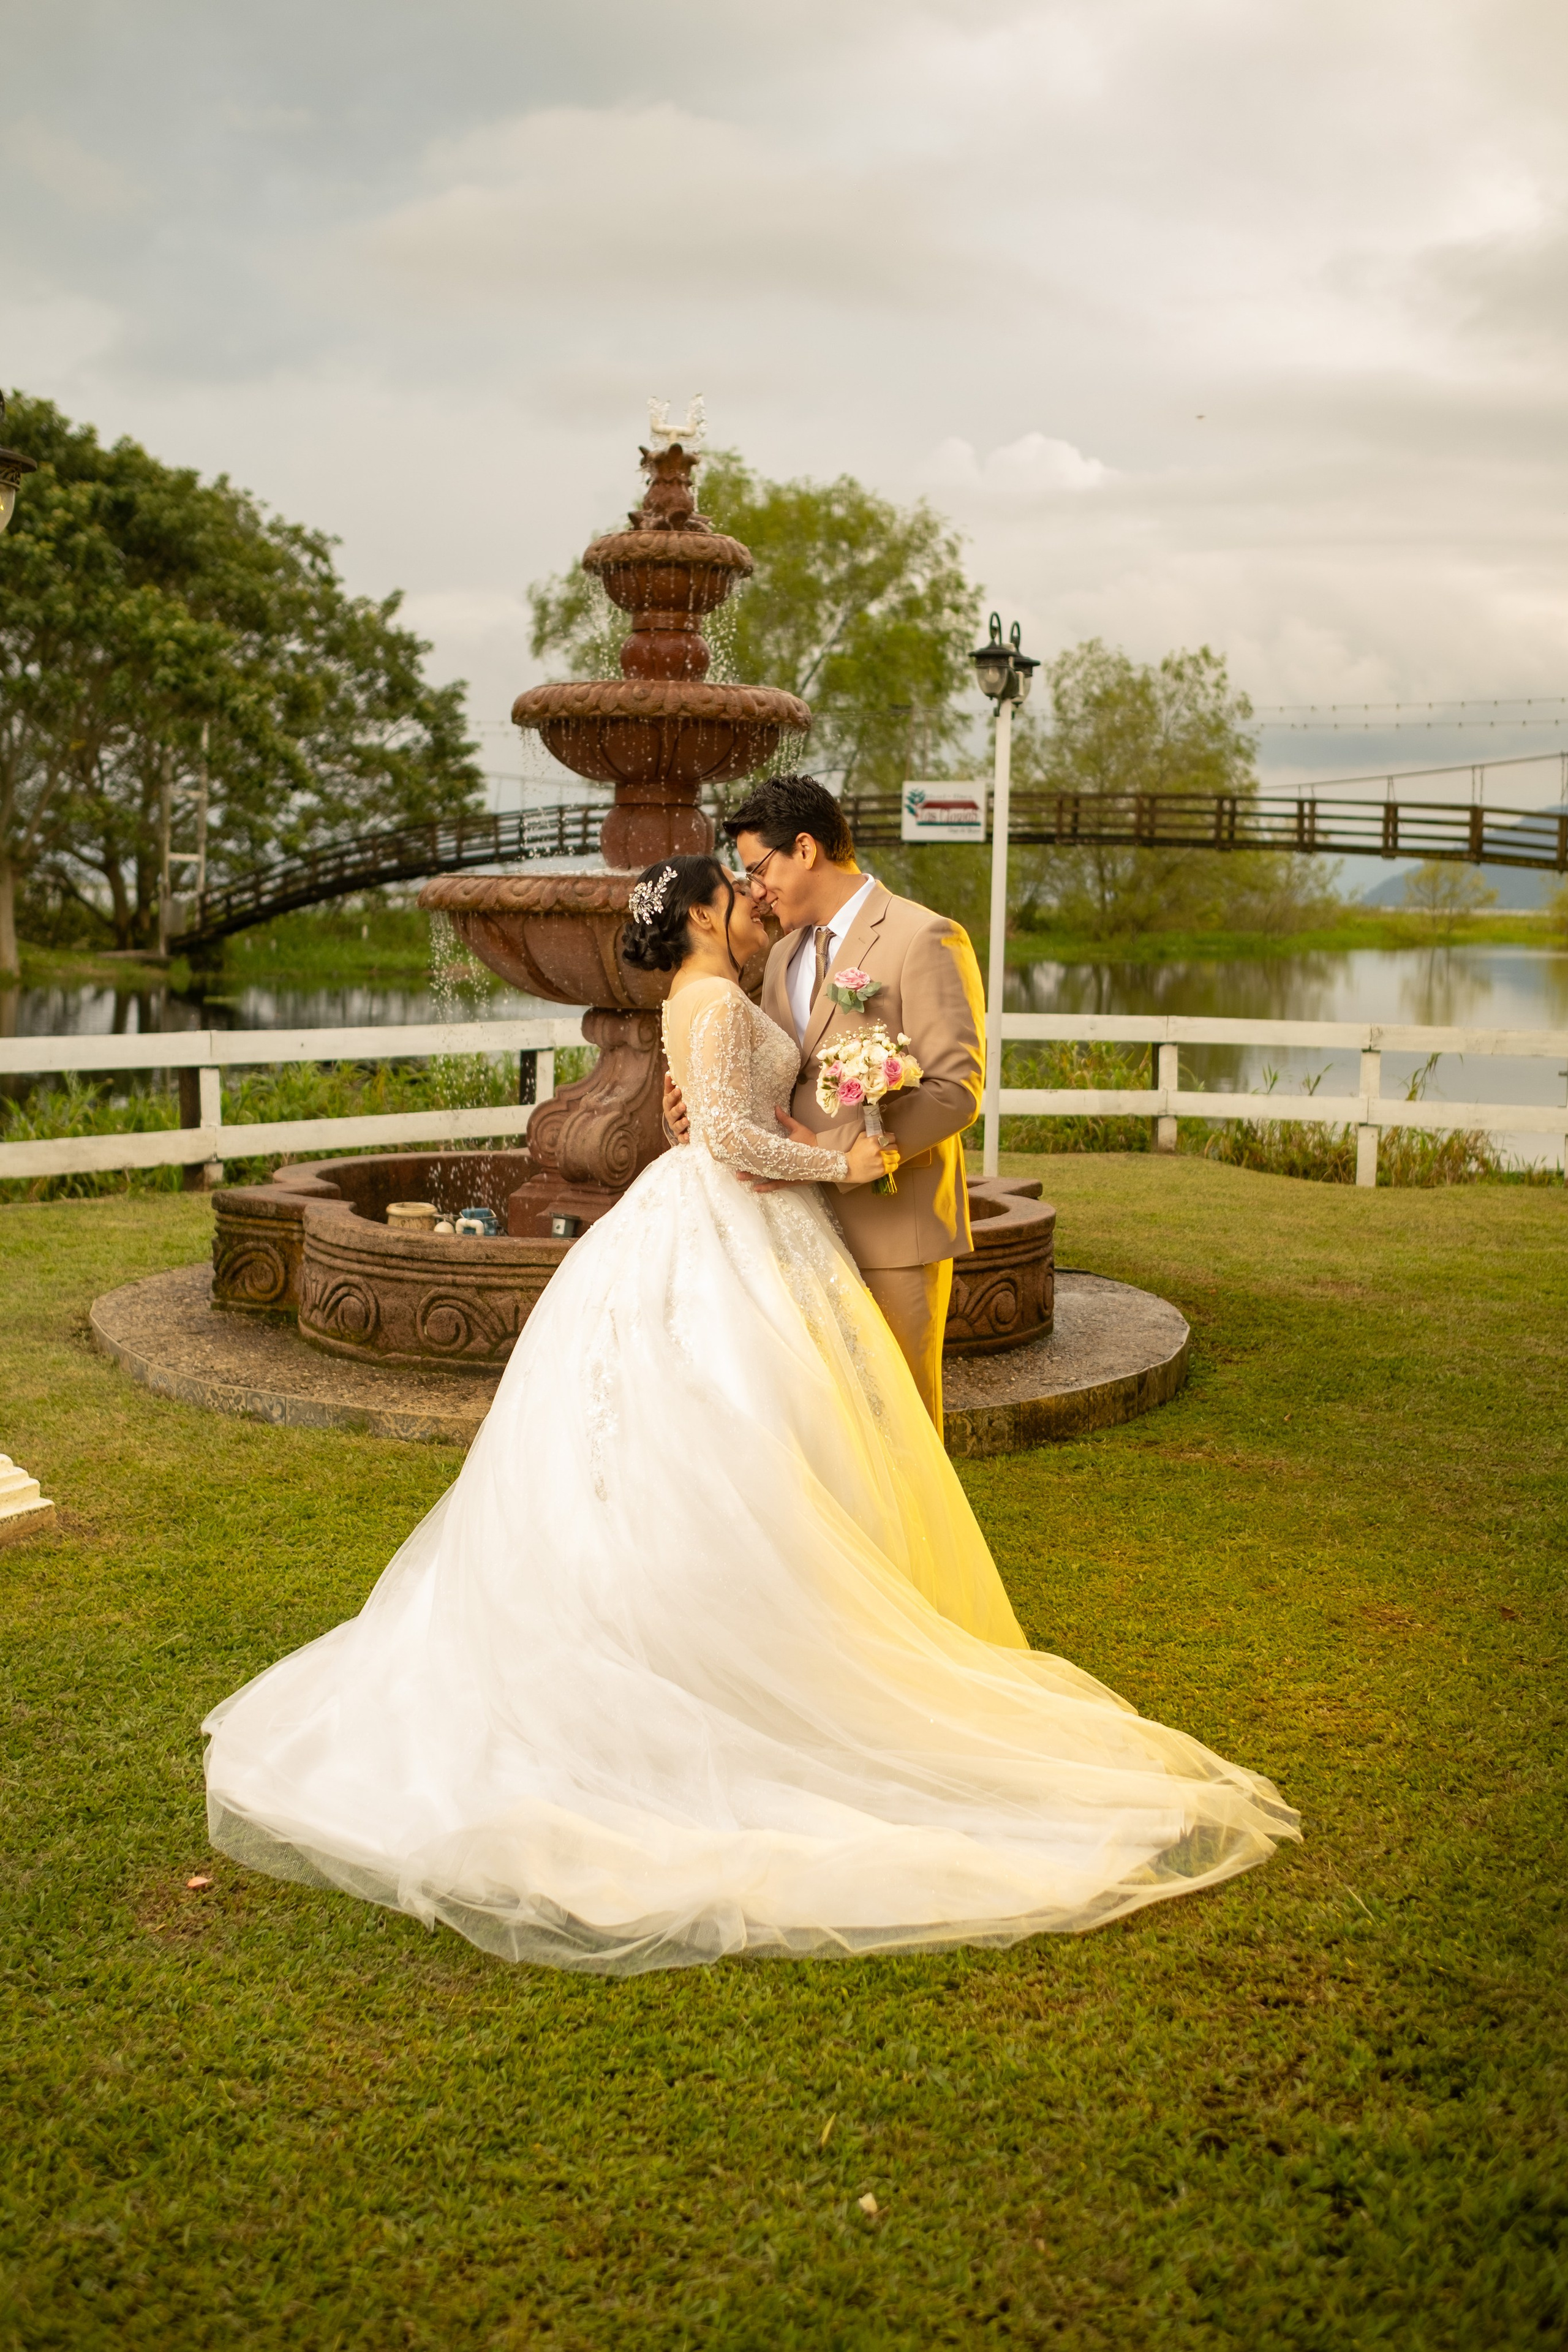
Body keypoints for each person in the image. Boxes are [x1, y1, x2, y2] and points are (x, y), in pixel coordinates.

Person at [202, 853, 1298, 1977]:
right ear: (697, 913)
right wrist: (844, 1158)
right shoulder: (716, 1000)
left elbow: (715, 1115)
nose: (751, 899)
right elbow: (730, 1141)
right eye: (734, 891)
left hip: (709, 1217)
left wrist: (784, 1106)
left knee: (737, 1424)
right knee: (740, 1416)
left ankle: (775, 1614)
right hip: (728, 1219)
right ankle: (761, 1641)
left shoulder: (710, 996)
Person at [666, 772, 983, 1434]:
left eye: (759, 870)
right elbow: (771, 1081)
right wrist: (694, 1117)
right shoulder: (782, 955)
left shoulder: (925, 936)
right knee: (828, 1434)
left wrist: (835, 1153)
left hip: (893, 1225)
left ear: (805, 849)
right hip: (796, 1229)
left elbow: (955, 1091)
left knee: (903, 1425)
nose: (756, 892)